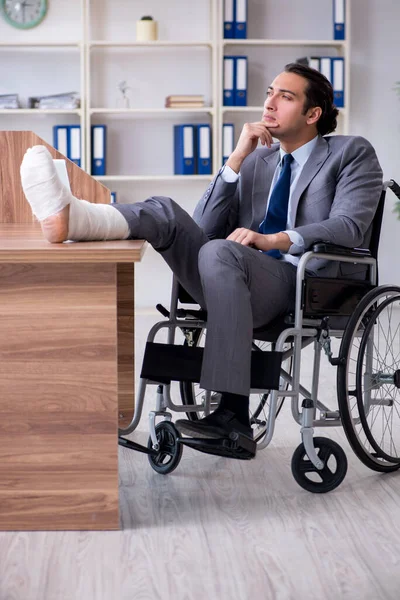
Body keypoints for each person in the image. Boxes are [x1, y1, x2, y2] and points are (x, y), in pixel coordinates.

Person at [20, 62, 383, 449]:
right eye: (269, 93)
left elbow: (349, 226)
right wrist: (235, 160)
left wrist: (275, 239)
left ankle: (232, 413)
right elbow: (203, 225)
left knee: (222, 251)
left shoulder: (350, 152)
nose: (270, 103)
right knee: (166, 212)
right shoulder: (258, 159)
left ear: (313, 114)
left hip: (296, 282)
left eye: (285, 96)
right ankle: (72, 219)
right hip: (226, 272)